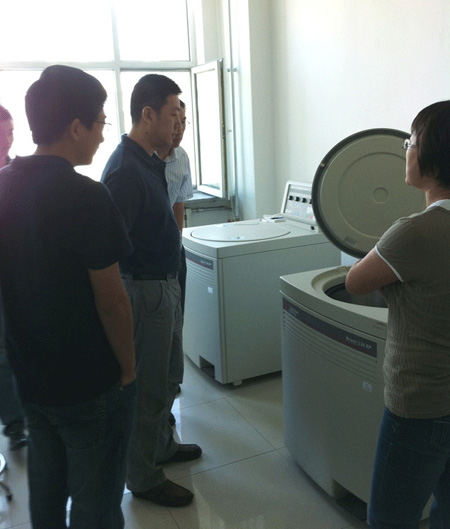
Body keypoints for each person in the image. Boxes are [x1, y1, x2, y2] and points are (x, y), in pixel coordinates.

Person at [0, 65, 136, 529]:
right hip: (87, 383)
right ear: (76, 127)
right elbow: (112, 301)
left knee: (47, 486)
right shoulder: (87, 197)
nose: (102, 135)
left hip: (31, 376)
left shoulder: (4, 185)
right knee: (97, 501)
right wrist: (128, 370)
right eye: (100, 123)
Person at [345, 100, 450, 529]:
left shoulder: (414, 231)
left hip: (421, 404)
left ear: (433, 155)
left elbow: (355, 281)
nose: (406, 149)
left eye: (412, 141)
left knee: (390, 518)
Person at [102, 74, 202, 508]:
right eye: (174, 114)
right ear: (148, 115)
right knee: (146, 388)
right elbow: (110, 251)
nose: (179, 123)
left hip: (164, 284)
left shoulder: (149, 161)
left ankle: (161, 445)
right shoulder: (125, 170)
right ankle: (143, 477)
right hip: (144, 291)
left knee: (166, 379)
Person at [157, 99, 193, 426]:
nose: (179, 128)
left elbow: (178, 203)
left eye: (184, 121)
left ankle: (169, 389)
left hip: (172, 252)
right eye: (174, 120)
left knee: (176, 321)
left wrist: (176, 242)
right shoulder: (142, 161)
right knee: (157, 331)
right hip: (148, 262)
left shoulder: (181, 158)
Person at [0, 105, 28, 451]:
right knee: (3, 350)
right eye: (1, 133)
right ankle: (14, 422)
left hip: (22, 270)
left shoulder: (18, 172)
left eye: (10, 133)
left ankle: (29, 409)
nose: (7, 140)